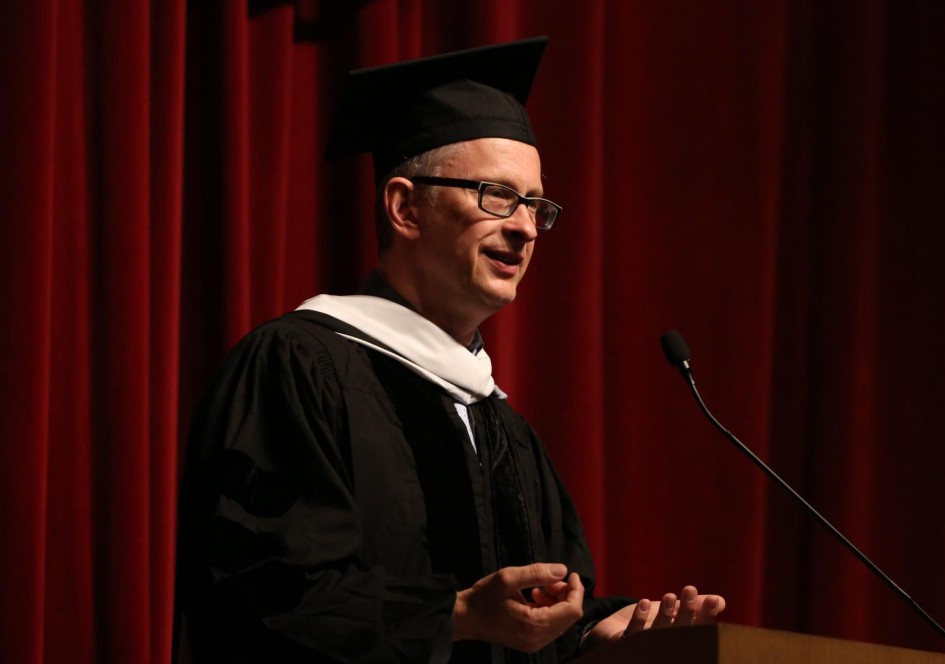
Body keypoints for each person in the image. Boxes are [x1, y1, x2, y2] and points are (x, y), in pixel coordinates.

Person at [175, 37, 725, 664]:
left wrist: (599, 632)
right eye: (497, 195)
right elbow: (254, 598)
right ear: (405, 207)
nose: (523, 227)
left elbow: (536, 618)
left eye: (535, 206)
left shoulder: (500, 424)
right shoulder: (297, 370)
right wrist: (457, 616)